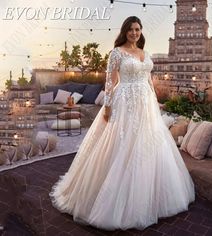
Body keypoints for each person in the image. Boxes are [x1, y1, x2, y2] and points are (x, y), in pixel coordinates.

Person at [50, 16, 195, 231]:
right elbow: (110, 81)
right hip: (124, 102)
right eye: (130, 29)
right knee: (120, 143)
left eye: (137, 29)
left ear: (141, 31)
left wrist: (155, 101)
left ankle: (149, 199)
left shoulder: (146, 53)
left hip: (145, 103)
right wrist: (107, 106)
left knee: (149, 145)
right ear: (124, 31)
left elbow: (148, 80)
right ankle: (112, 201)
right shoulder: (116, 53)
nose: (134, 33)